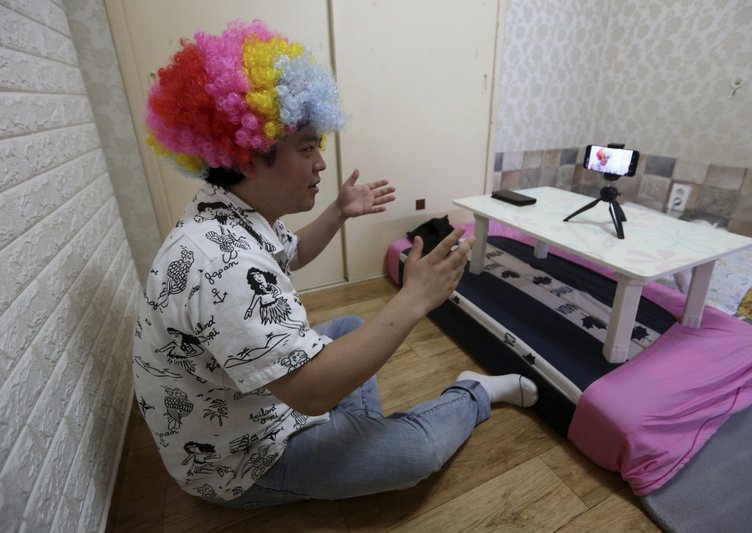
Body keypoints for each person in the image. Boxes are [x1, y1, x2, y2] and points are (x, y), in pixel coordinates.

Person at [132, 19, 538, 507]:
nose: (321, 164)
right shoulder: (220, 263)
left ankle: (353, 433)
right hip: (240, 461)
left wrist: (340, 210)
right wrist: (414, 299)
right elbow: (312, 395)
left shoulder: (223, 211)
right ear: (244, 157)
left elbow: (293, 253)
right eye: (307, 149)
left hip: (253, 401)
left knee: (348, 326)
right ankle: (471, 394)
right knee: (413, 455)